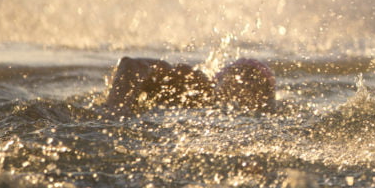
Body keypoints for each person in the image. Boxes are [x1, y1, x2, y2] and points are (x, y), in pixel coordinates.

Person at [102, 55, 277, 113]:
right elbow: (131, 65)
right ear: (220, 77)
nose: (248, 87)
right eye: (245, 75)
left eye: (259, 87)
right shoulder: (194, 82)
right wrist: (116, 111)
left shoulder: (236, 121)